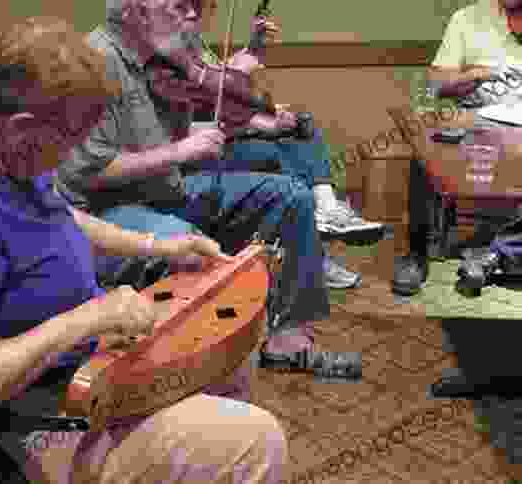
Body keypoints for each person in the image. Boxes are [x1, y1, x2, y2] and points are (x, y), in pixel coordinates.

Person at [0, 16, 288, 484]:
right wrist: (88, 319)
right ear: (22, 128)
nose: (75, 154)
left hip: (81, 365)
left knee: (230, 353)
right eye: (72, 141)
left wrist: (161, 247)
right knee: (255, 443)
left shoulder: (9, 157)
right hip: (32, 421)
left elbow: (62, 216)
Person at [57, 0, 363, 377]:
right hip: (108, 211)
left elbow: (164, 135)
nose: (192, 16)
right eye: (179, 6)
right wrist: (179, 151)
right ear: (135, 12)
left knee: (292, 197)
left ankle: (288, 340)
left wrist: (210, 133)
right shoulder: (95, 63)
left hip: (167, 189)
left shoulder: (160, 58)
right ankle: (186, 373)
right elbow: (88, 171)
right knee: (190, 244)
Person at [194, 0, 385, 289]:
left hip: (227, 135)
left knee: (303, 128)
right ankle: (313, 254)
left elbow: (220, 81)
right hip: (200, 153)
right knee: (272, 153)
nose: (202, 12)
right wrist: (260, 125)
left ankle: (327, 207)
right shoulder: (164, 54)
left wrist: (253, 48)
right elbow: (199, 114)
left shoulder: (190, 44)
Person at [393, 0, 522, 295]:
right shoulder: (468, 18)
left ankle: (497, 253)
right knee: (425, 151)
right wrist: (473, 76)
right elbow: (437, 84)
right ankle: (416, 253)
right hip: (477, 121)